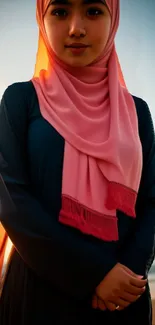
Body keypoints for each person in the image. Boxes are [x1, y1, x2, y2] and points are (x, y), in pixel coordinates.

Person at [0, 0, 154, 324]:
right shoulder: (21, 100)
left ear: (114, 19)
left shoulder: (137, 113)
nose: (76, 28)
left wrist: (129, 274)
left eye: (94, 11)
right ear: (42, 19)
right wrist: (95, 274)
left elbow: (151, 203)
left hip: (122, 297)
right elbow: (11, 199)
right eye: (59, 11)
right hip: (38, 293)